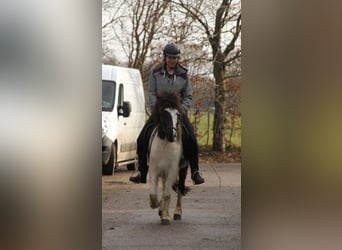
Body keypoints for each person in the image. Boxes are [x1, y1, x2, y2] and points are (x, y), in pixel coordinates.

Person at [129, 43, 205, 185]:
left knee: (192, 139)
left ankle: (195, 172)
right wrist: (156, 108)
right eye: (170, 57)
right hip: (159, 112)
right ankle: (142, 171)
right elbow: (151, 92)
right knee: (141, 138)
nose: (172, 60)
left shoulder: (183, 74)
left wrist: (181, 110)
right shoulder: (156, 73)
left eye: (175, 58)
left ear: (177, 59)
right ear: (165, 58)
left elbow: (188, 96)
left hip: (178, 113)